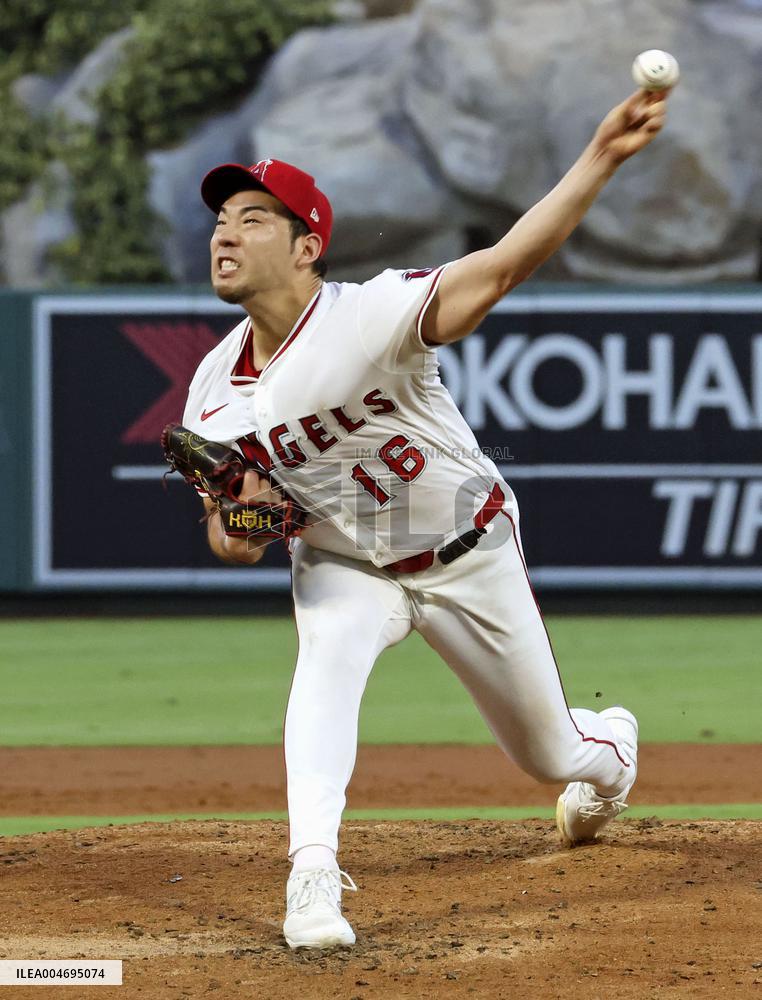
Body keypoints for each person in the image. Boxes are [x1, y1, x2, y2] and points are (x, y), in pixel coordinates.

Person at [181, 89, 667, 949]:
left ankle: (612, 750)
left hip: (465, 551)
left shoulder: (368, 317)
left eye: (254, 218)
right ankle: (312, 876)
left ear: (308, 248)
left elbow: (506, 264)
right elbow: (233, 543)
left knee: (549, 757)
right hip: (344, 561)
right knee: (324, 661)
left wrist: (603, 156)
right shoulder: (213, 397)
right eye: (222, 217)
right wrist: (248, 520)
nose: (225, 232)